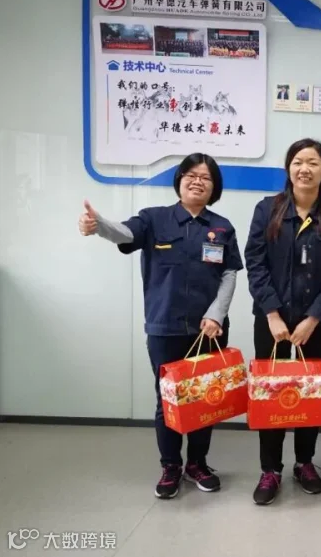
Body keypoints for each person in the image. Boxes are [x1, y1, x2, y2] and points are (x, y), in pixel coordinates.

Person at [77, 153, 242, 500]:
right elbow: (124, 234)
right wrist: (99, 224)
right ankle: (170, 466)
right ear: (179, 180)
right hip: (164, 327)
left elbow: (229, 273)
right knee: (167, 400)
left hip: (208, 330)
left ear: (214, 187)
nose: (197, 181)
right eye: (191, 175)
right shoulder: (154, 219)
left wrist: (216, 314)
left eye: (206, 177)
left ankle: (197, 463)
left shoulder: (223, 227)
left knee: (204, 399)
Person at [244, 139, 321, 506]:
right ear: (289, 168)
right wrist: (272, 313)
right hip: (271, 320)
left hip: (316, 323)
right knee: (271, 392)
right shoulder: (267, 209)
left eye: (313, 162)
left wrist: (313, 318)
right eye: (298, 161)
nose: (305, 168)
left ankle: (304, 462)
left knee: (308, 392)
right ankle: (269, 469)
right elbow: (255, 263)